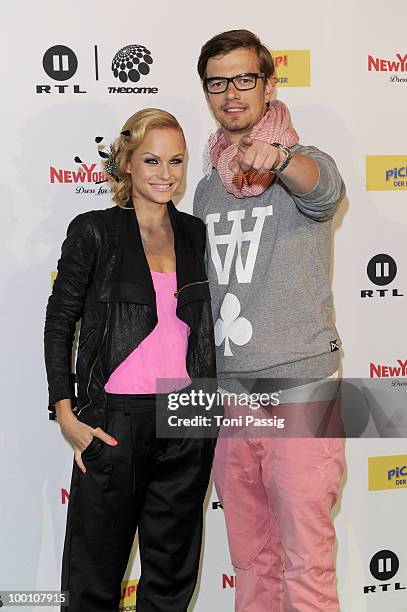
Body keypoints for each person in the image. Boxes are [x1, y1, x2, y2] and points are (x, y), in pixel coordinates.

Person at [193, 30, 346, 611]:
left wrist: (280, 160)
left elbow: (324, 190)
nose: (231, 93)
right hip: (230, 396)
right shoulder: (206, 188)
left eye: (244, 79)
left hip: (300, 390)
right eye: (217, 83)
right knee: (251, 562)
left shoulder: (305, 162)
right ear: (206, 92)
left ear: (268, 84)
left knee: (307, 563)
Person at [44, 108, 217, 612]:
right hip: (116, 419)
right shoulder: (94, 230)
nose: (166, 173)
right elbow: (61, 322)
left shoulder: (193, 233)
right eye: (152, 160)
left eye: (177, 161)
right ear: (127, 164)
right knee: (93, 579)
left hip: (186, 418)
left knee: (170, 578)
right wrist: (65, 411)